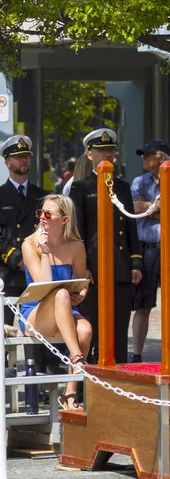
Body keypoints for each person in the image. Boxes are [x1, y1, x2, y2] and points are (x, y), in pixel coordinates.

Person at [69, 128, 143, 364]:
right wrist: (84, 267)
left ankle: (117, 384)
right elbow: (78, 232)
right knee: (91, 330)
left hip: (120, 269)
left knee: (119, 332)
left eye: (110, 149)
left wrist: (135, 262)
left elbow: (130, 227)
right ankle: (86, 386)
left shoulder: (122, 186)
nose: (107, 154)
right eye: (101, 151)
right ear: (89, 154)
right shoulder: (80, 187)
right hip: (93, 272)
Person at [20, 195, 91, 411]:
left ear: (64, 220)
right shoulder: (30, 245)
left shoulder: (76, 246)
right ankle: (78, 359)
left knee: (86, 331)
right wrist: (45, 252)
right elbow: (43, 286)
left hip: (66, 308)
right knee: (59, 294)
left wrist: (82, 293)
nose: (42, 217)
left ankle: (69, 392)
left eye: (49, 214)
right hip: (36, 313)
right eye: (40, 212)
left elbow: (83, 280)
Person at [130, 139, 170, 362]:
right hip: (146, 250)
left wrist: (151, 209)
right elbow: (135, 207)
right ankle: (137, 354)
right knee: (143, 305)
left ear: (162, 157)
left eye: (148, 154)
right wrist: (162, 208)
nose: (144, 158)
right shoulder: (139, 182)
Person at [0, 135, 49, 374]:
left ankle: (36, 380)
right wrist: (14, 257)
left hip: (35, 274)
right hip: (8, 276)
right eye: (18, 157)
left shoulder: (43, 196)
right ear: (7, 162)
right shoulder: (0, 195)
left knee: (35, 331)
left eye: (26, 156)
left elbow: (49, 231)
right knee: (5, 333)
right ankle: (4, 379)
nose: (23, 160)